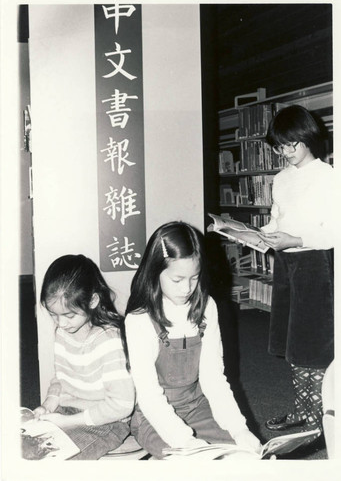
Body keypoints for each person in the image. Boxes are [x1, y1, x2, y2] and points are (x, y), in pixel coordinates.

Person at [125, 221, 262, 459]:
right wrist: (185, 441)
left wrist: (239, 429)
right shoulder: (139, 319)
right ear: (154, 271)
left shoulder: (207, 306)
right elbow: (148, 396)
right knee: (193, 463)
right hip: (152, 416)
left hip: (197, 405)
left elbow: (213, 378)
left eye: (194, 278)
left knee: (245, 454)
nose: (186, 288)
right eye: (177, 280)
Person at [258, 105, 334, 434]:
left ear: (308, 139)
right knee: (293, 342)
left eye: (293, 144)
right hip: (287, 263)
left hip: (319, 262)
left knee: (315, 344)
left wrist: (297, 238)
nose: (287, 152)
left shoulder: (329, 177)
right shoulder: (280, 179)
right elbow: (278, 219)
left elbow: (335, 231)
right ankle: (303, 409)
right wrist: (259, 233)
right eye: (280, 146)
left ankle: (321, 421)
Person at [33, 254, 135, 460]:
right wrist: (49, 404)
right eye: (54, 315)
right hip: (67, 411)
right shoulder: (63, 333)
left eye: (69, 315)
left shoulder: (108, 340)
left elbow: (122, 406)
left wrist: (66, 422)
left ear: (93, 300)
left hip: (106, 421)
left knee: (59, 460)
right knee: (24, 449)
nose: (60, 324)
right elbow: (61, 379)